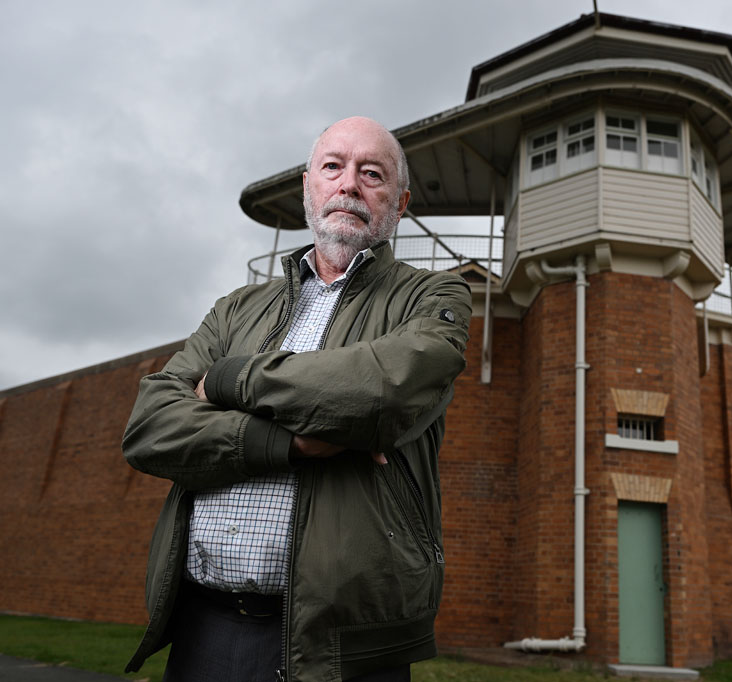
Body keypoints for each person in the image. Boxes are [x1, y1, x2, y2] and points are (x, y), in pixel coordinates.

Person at [122, 116, 471, 682]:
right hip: (204, 630)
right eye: (333, 167)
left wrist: (230, 380)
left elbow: (385, 391)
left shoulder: (432, 295)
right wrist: (285, 441)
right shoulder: (237, 307)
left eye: (372, 173)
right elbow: (149, 426)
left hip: (345, 649)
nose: (349, 184)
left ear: (400, 202)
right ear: (310, 186)